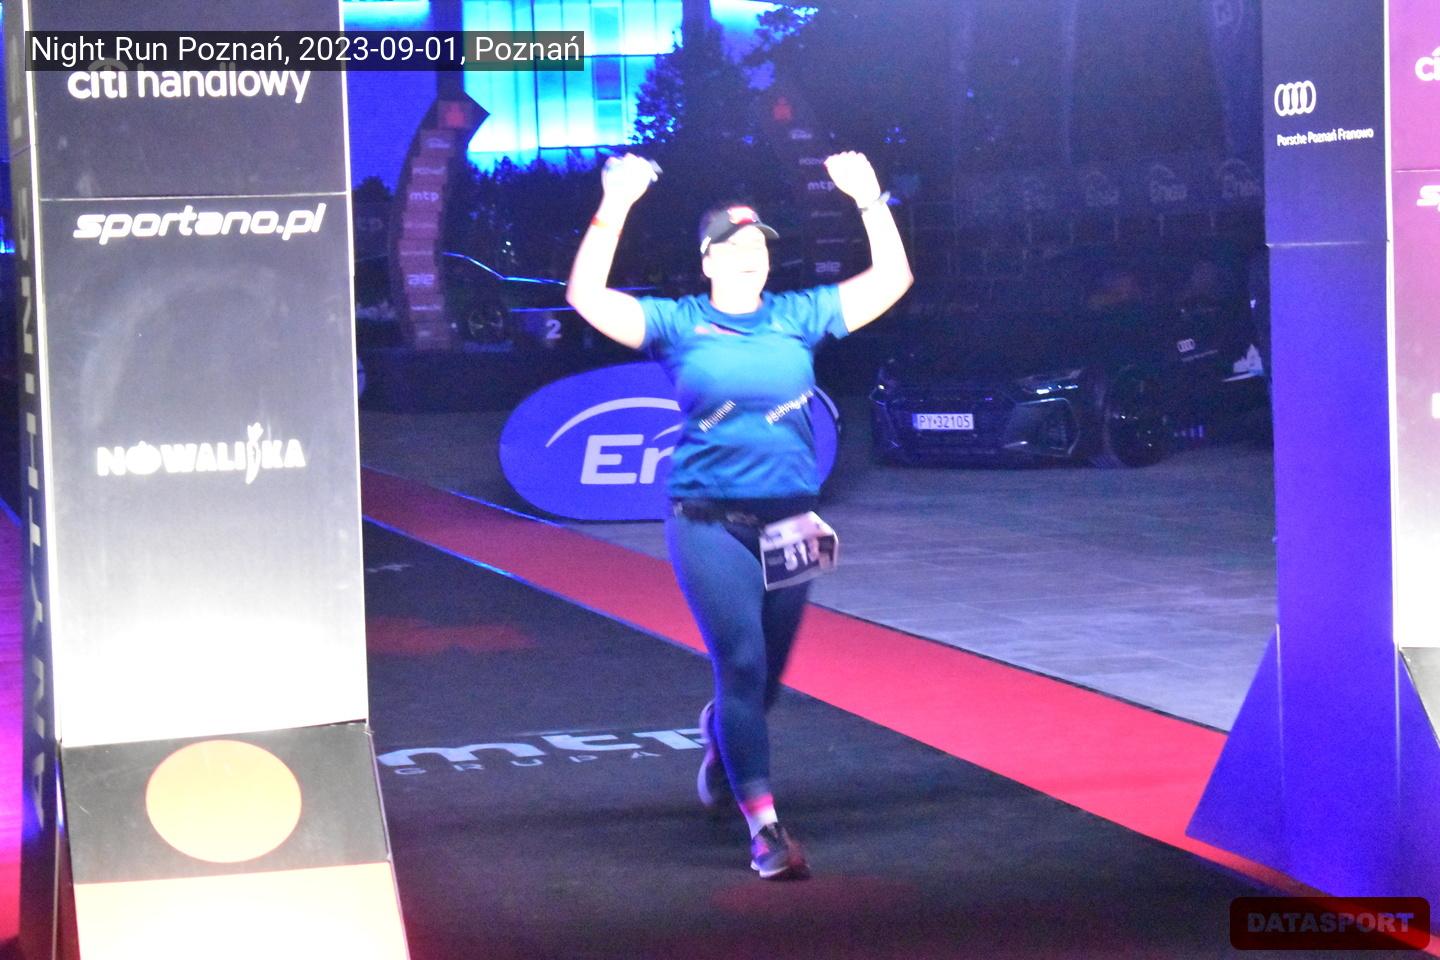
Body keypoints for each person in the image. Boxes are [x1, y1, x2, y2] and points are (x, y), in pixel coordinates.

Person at [565, 151, 913, 880]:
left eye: (761, 244)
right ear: (708, 260)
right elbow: (586, 296)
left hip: (794, 525)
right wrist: (615, 204)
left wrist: (868, 199)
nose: (753, 254)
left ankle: (720, 739)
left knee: (765, 684)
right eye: (737, 244)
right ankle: (766, 830)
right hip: (707, 521)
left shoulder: (798, 315)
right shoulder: (677, 322)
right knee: (743, 664)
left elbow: (893, 280)